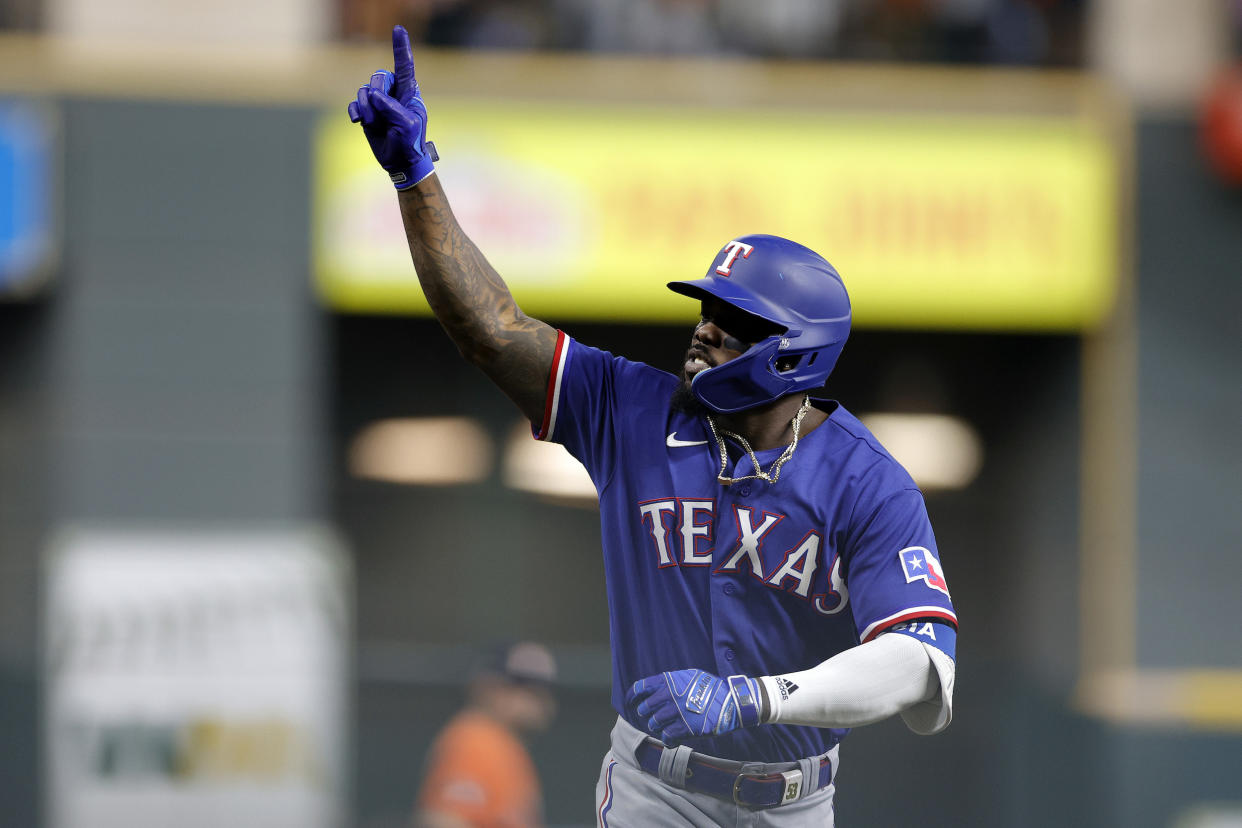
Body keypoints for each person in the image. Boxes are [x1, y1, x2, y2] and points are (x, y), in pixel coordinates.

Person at [350, 26, 958, 826]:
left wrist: (756, 700)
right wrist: (416, 178)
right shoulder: (632, 408)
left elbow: (918, 663)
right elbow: (491, 329)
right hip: (655, 792)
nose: (706, 330)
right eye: (707, 311)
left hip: (792, 805)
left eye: (736, 322)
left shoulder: (867, 482)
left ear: (792, 358)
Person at [413, 641, 557, 828]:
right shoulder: (476, 741)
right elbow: (442, 820)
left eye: (541, 689)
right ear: (488, 687)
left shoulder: (506, 747)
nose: (535, 698)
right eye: (520, 686)